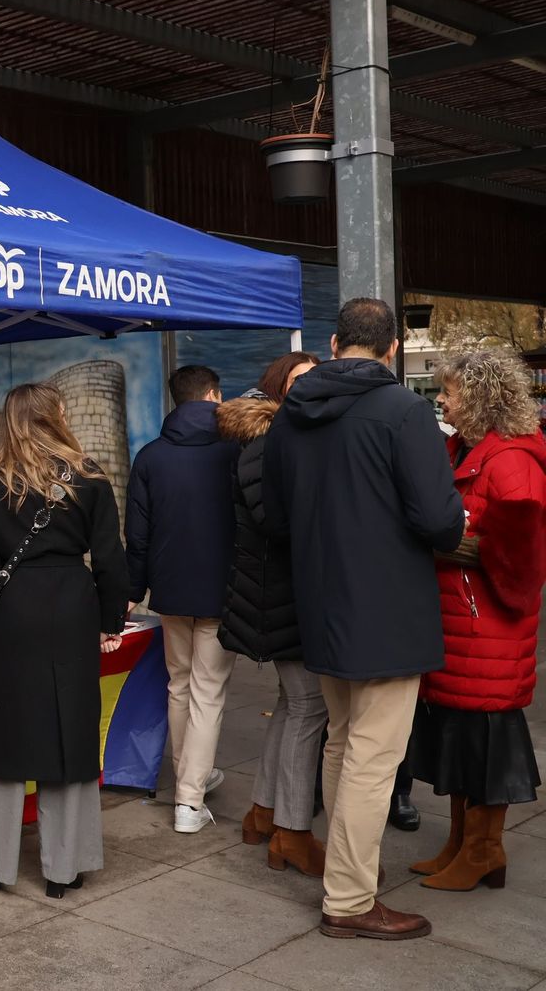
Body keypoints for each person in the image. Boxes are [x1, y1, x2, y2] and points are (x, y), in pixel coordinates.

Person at [263, 297, 465, 940]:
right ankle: (349, 900)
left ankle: (345, 877)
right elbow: (439, 519)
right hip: (387, 608)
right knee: (371, 757)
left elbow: (276, 517)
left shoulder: (291, 415)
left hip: (321, 600)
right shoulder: (404, 411)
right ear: (393, 347)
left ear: (333, 342)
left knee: (344, 742)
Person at [0, 383, 129, 899]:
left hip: (14, 612)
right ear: (56, 415)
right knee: (70, 730)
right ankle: (64, 869)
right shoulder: (90, 477)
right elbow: (110, 559)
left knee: (5, 731)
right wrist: (110, 621)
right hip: (73, 607)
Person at [406, 349, 546, 891]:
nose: (441, 400)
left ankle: (483, 851)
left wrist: (448, 545)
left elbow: (522, 557)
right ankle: (463, 844)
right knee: (463, 742)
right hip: (464, 624)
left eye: (450, 392)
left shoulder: (510, 461)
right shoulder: (465, 450)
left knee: (485, 745)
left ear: (481, 398)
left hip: (487, 628)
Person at [217, 351, 326, 876]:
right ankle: (293, 831)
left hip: (281, 591)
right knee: (310, 706)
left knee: (294, 702)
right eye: (298, 379)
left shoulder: (286, 435)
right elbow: (273, 520)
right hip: (278, 592)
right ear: (277, 386)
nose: (308, 387)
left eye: (316, 379)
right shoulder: (266, 439)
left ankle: (264, 814)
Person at [125, 365, 240, 834]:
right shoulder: (235, 451)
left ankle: (192, 775)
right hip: (222, 588)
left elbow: (137, 534)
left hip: (170, 588)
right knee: (208, 690)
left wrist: (133, 590)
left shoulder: (150, 456)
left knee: (179, 684)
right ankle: (189, 801)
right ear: (213, 395)